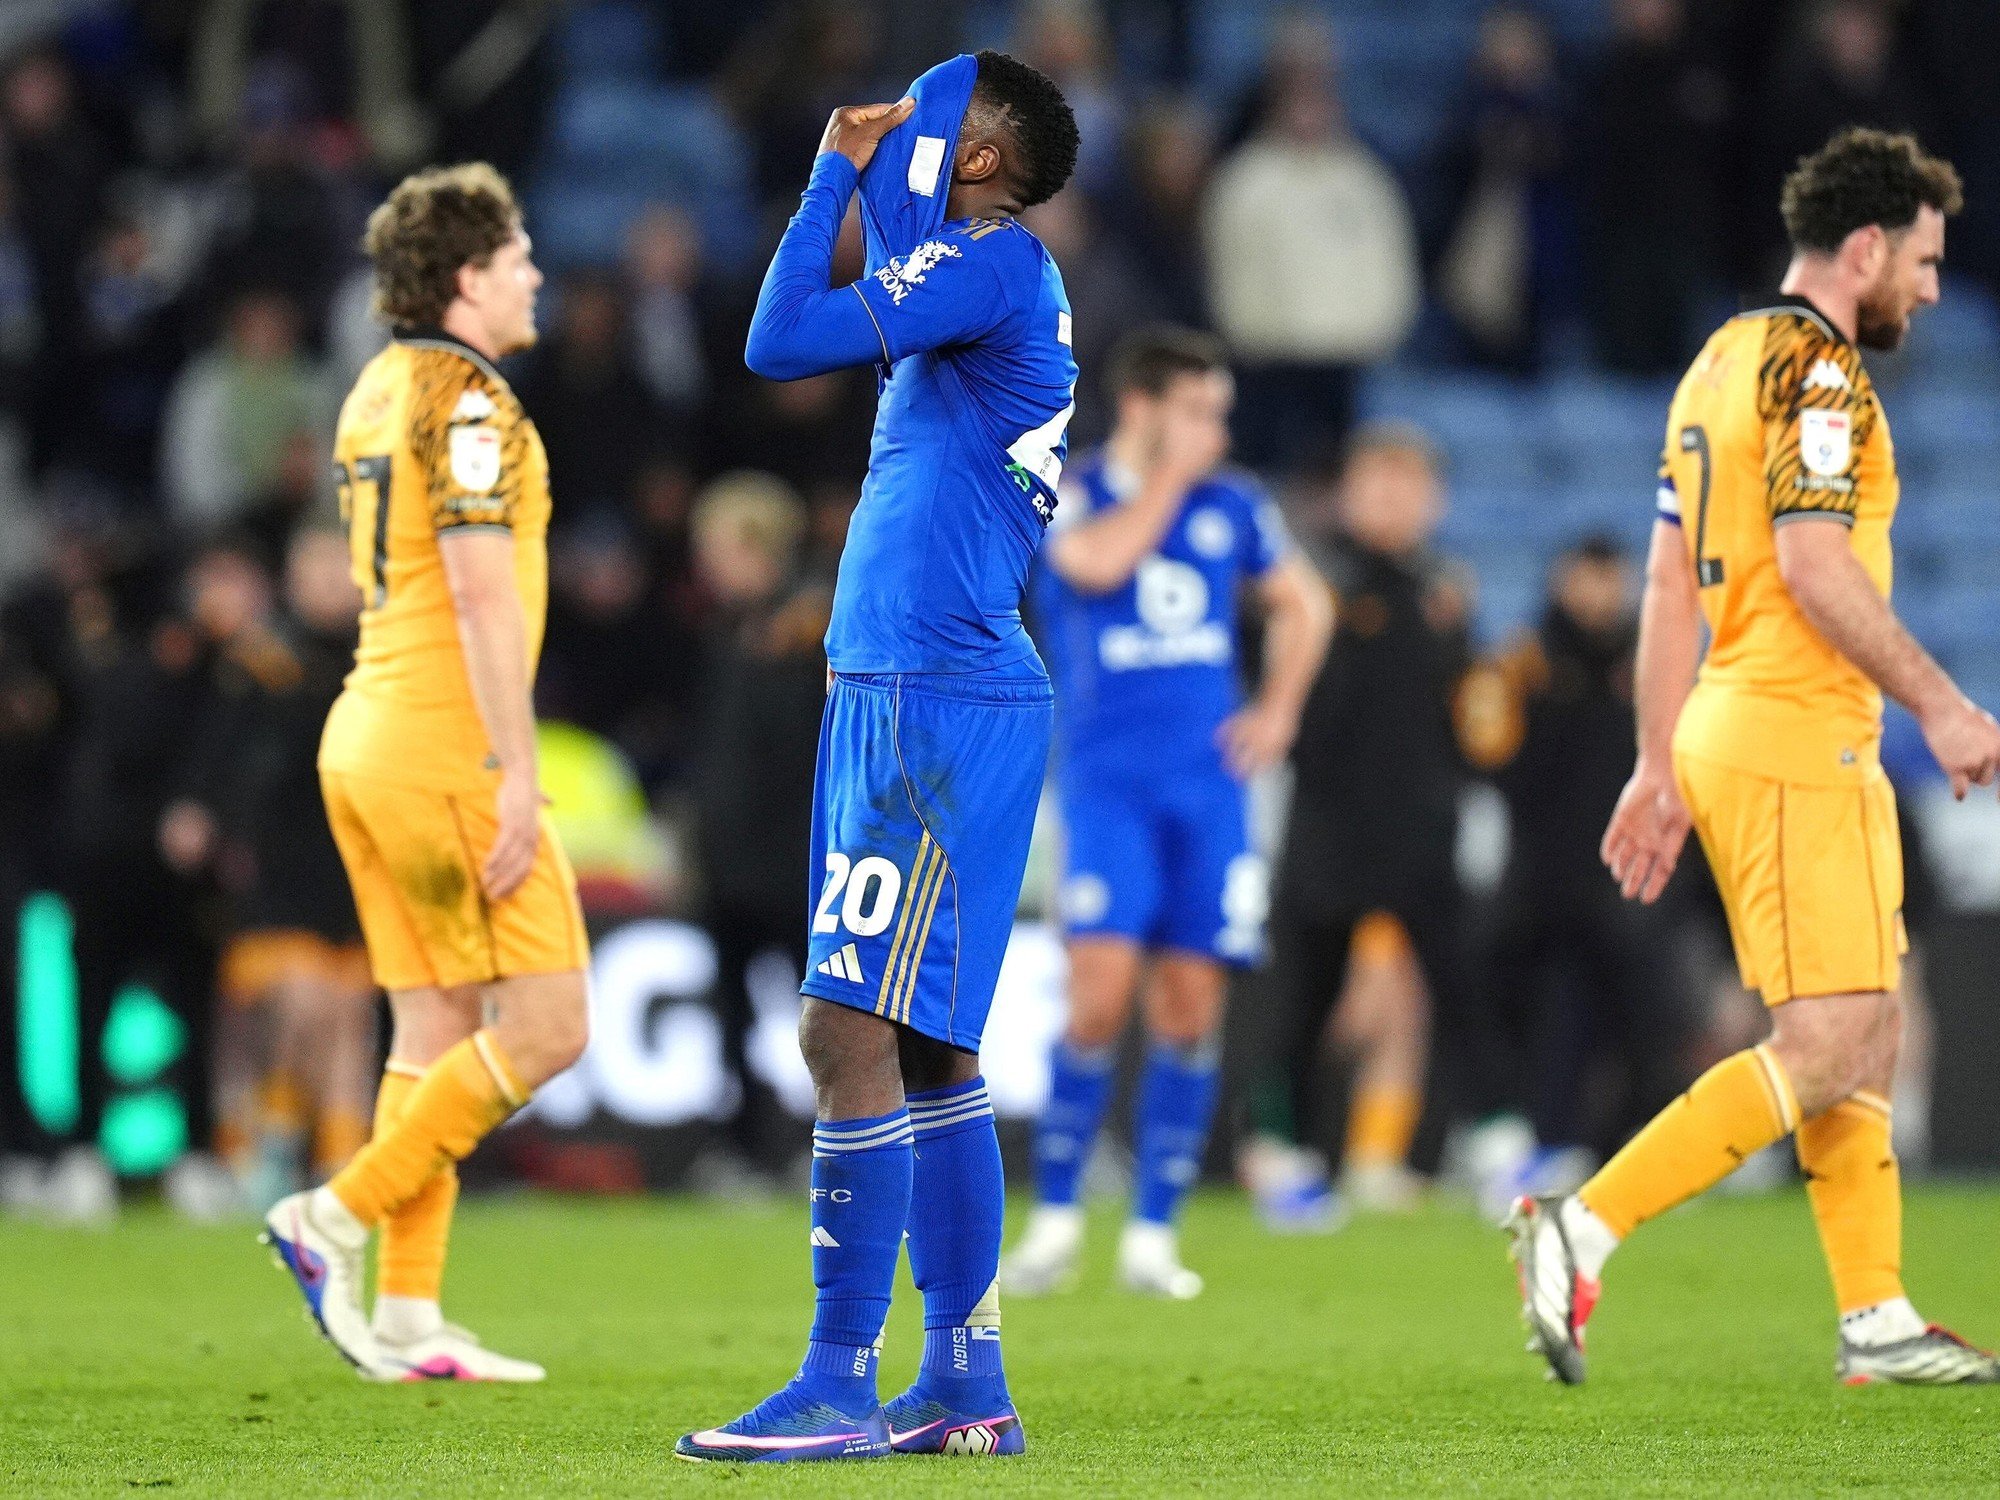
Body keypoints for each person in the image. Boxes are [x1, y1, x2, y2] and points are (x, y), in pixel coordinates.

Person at [1509, 127, 2000, 1387]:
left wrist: (1656, 762)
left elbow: (1671, 577)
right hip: (1791, 736)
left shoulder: (1718, 359)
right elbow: (1813, 565)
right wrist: (1943, 706)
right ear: (1866, 246)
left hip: (1740, 725)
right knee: (1831, 1036)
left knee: (1866, 1027)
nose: (1932, 290)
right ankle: (1580, 1224)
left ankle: (1873, 1314)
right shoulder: (1820, 379)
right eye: (1926, 262)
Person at [674, 50, 1079, 1462]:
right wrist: (883, 151)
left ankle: (842, 1375)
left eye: (938, 111)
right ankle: (966, 1379)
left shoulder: (995, 267)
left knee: (842, 1027)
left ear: (980, 159)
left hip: (931, 692)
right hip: (924, 684)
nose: (912, 116)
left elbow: (779, 341)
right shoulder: (976, 269)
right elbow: (908, 221)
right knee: (926, 1043)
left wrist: (834, 170)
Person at [260, 162, 589, 1384]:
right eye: (516, 260)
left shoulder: (375, 386)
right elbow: (479, 587)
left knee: (435, 1024)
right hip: (444, 742)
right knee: (549, 1026)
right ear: (467, 278)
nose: (535, 276)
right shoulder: (464, 402)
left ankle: (404, 1315)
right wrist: (512, 763)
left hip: (366, 732)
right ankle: (328, 1221)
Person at [1002, 326, 1330, 1299]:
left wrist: (1274, 712)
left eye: (1219, 413)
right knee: (1097, 997)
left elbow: (1303, 605)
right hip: (1106, 785)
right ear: (1141, 409)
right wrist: (1165, 483)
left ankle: (1153, 1233)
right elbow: (1092, 570)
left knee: (1189, 1005)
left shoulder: (1237, 505)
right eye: (1196, 410)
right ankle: (1056, 1221)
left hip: (1208, 790)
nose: (1214, 431)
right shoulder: (1074, 486)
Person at [1245, 427, 1495, 1221]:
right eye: (1378, 483)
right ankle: (1284, 1153)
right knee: (1306, 1001)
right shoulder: (1313, 584)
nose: (1393, 501)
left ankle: (1474, 1145)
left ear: (1433, 500)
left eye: (1408, 486)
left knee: (1456, 993)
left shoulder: (1445, 594)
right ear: (1349, 492)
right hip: (1329, 827)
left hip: (1422, 828)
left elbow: (1469, 719)